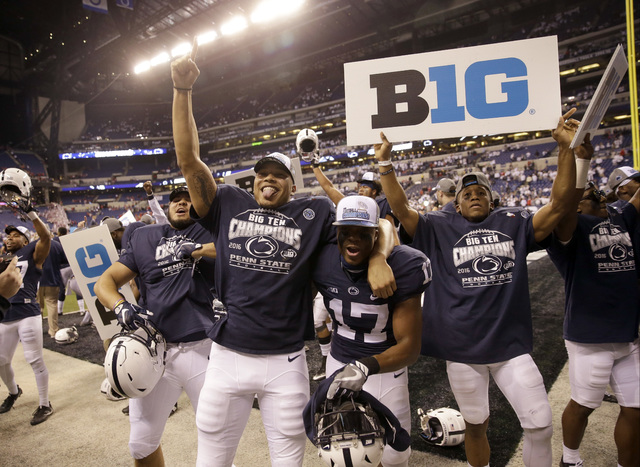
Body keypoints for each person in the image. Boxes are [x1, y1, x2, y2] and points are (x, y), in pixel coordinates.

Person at [171, 41, 396, 467]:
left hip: (286, 359)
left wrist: (381, 255)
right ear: (252, 181)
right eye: (262, 175)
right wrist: (183, 91)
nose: (268, 181)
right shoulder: (229, 204)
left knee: (289, 461)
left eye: (278, 175)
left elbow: (374, 224)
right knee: (211, 459)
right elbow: (189, 161)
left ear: (293, 184)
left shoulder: (314, 212)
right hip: (227, 356)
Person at [374, 108, 583, 467]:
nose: (473, 195)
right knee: (475, 425)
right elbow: (401, 208)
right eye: (466, 192)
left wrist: (566, 149)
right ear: (456, 203)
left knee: (540, 424)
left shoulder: (514, 221)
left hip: (509, 346)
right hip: (462, 349)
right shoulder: (438, 225)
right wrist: (385, 166)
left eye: (480, 191)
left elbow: (561, 205)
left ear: (492, 199)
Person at [95, 186, 217, 466]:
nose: (182, 203)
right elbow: (104, 282)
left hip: (206, 347)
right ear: (167, 206)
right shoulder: (145, 237)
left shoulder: (210, 230)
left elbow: (235, 248)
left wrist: (199, 250)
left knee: (217, 439)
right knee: (140, 442)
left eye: (188, 200)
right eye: (176, 200)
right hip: (156, 350)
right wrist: (120, 305)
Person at [313, 195, 431, 467]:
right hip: (339, 362)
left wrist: (365, 366)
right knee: (347, 453)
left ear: (376, 235)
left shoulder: (404, 265)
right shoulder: (322, 259)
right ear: (336, 234)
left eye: (363, 234)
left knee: (395, 455)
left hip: (385, 370)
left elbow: (410, 347)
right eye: (346, 233)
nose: (353, 240)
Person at [547, 157, 639, 467]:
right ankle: (570, 459)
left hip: (628, 333)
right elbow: (565, 201)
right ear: (574, 206)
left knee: (635, 408)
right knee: (584, 404)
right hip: (591, 336)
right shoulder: (568, 228)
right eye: (591, 196)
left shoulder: (618, 216)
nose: (601, 197)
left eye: (600, 193)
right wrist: (581, 162)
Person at [0, 215, 53, 425]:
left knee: (34, 359)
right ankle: (14, 392)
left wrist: (32, 215)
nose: (10, 239)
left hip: (27, 312)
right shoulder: (3, 258)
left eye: (16, 236)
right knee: (1, 360)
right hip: (5, 315)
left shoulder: (32, 252)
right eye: (8, 236)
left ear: (25, 240)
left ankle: (45, 403)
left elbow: (46, 237)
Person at [38, 232, 67, 338]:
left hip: (38, 279)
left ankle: (37, 330)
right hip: (53, 278)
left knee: (37, 306)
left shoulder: (35, 244)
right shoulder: (57, 245)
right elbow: (64, 260)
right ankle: (53, 330)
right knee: (52, 305)